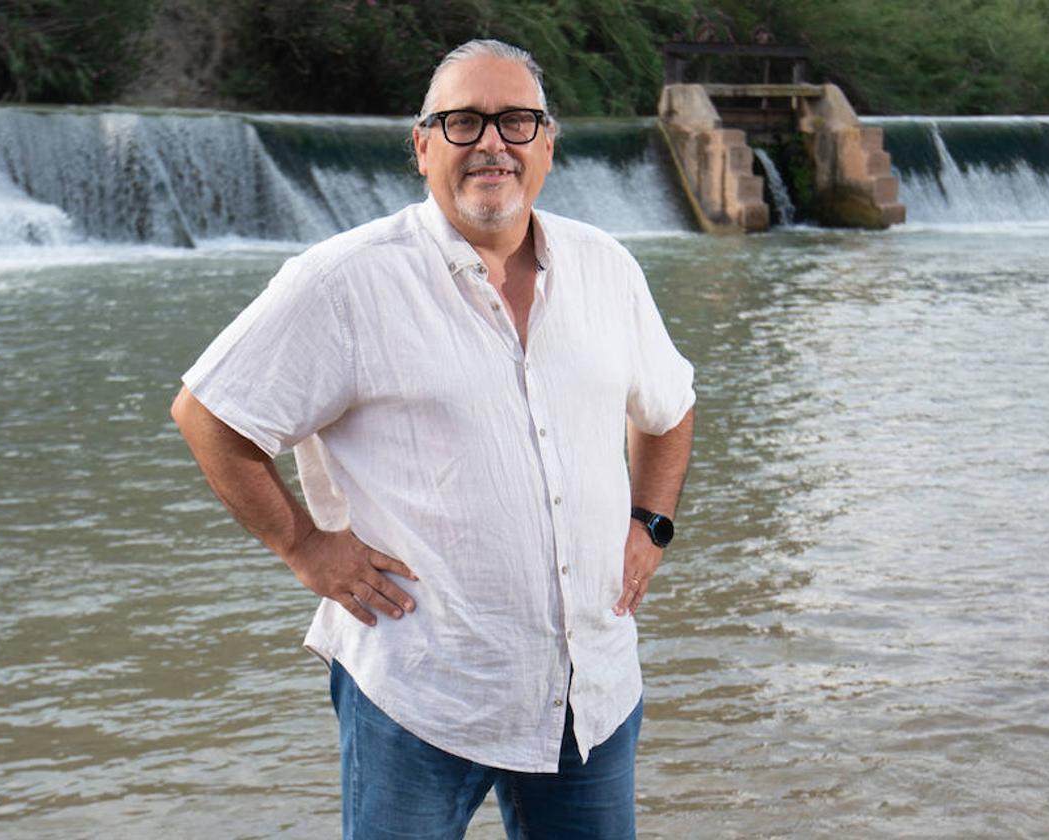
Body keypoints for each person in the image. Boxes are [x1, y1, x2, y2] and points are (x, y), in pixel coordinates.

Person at [171, 38, 694, 840]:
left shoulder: (607, 269)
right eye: (462, 122)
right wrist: (305, 548)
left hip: (589, 688)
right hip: (420, 691)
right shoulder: (344, 281)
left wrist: (650, 522)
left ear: (547, 143)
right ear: (422, 147)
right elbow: (209, 415)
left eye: (516, 121)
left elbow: (668, 407)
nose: (492, 143)